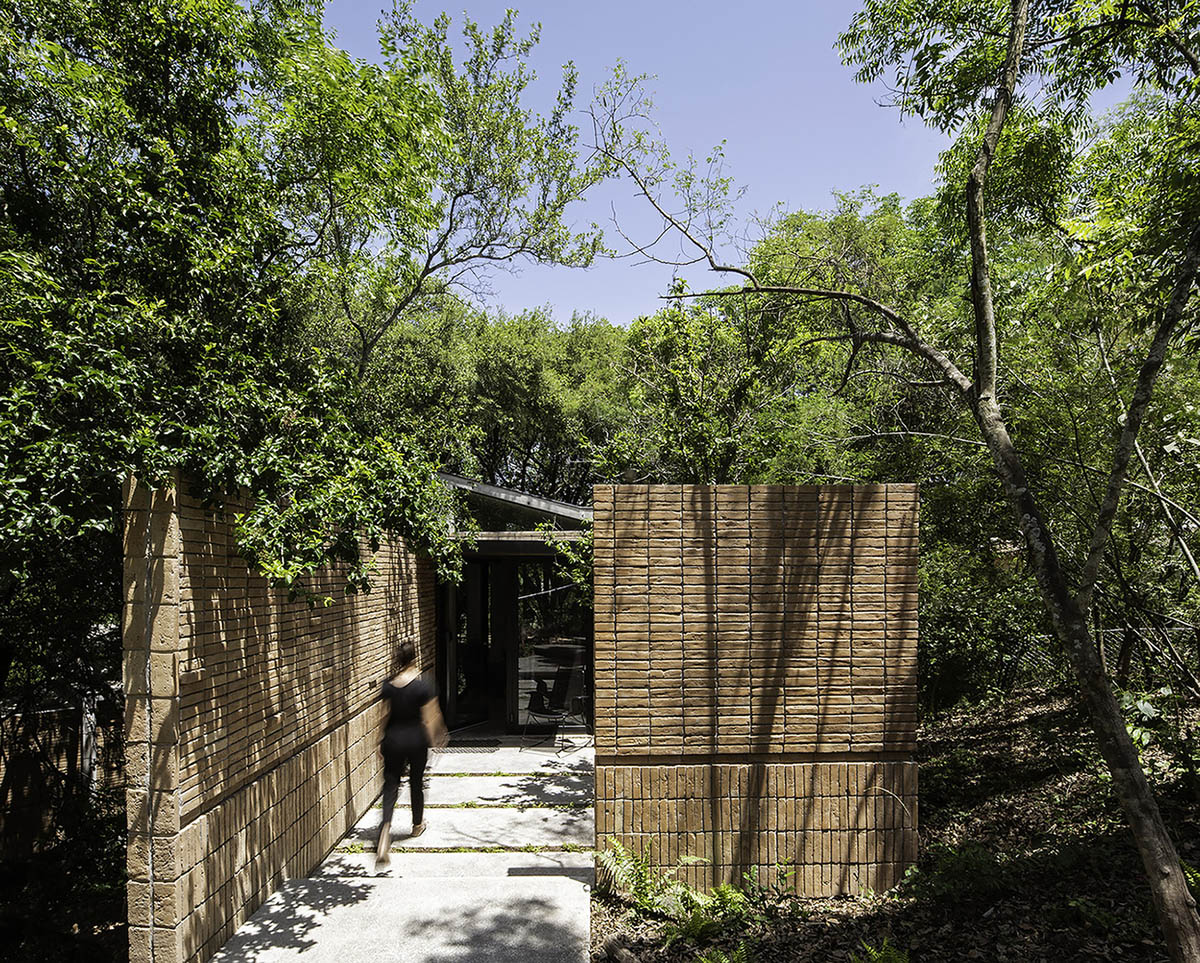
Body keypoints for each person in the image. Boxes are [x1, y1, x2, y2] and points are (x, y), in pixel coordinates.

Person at [375, 640, 448, 868]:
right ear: (414, 658)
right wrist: (438, 736)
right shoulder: (423, 686)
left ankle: (385, 830)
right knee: (416, 782)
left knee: (391, 785)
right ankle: (417, 825)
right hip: (416, 740)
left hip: (393, 740)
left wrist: (380, 740)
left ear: (398, 660)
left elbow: (384, 716)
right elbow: (430, 717)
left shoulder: (389, 685)